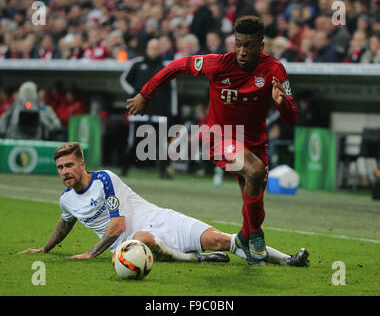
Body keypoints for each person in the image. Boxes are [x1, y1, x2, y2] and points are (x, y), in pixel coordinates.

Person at [125, 16, 298, 266]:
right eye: (238, 44)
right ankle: (256, 237)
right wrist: (145, 93)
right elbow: (176, 67)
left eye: (248, 45)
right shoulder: (217, 64)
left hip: (255, 143)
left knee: (254, 198)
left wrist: (282, 106)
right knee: (255, 171)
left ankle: (245, 238)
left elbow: (292, 119)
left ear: (261, 45)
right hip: (220, 138)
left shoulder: (274, 70)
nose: (241, 51)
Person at [20, 142, 309, 268]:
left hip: (160, 218)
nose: (65, 172)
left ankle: (288, 260)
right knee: (142, 239)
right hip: (128, 244)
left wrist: (88, 254)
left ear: (82, 164)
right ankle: (195, 258)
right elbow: (65, 220)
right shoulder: (66, 199)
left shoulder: (104, 179)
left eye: (69, 165)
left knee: (222, 239)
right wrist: (45, 249)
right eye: (60, 168)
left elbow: (116, 223)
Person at [121, 38, 175, 179]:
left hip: (159, 112)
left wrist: (172, 111)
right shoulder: (137, 64)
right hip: (139, 111)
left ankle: (163, 171)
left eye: (157, 48)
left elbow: (171, 91)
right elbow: (124, 80)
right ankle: (124, 168)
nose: (154, 50)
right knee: (133, 141)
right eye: (151, 47)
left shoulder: (165, 67)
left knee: (162, 142)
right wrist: (134, 94)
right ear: (147, 49)